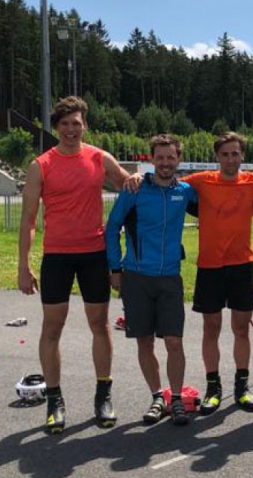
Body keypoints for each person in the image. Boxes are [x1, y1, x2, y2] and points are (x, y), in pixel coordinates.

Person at [17, 96, 136, 434]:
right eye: (65, 124)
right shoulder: (41, 165)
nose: (71, 130)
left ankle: (103, 396)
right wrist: (23, 266)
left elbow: (128, 187)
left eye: (77, 124)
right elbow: (28, 219)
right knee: (52, 328)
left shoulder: (99, 158)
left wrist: (139, 179)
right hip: (57, 257)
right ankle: (54, 401)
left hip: (94, 254)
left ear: (85, 126)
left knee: (99, 324)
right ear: (57, 127)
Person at [106, 134, 196, 426]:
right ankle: (157, 397)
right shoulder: (134, 189)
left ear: (179, 159)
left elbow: (220, 189)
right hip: (136, 277)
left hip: (169, 277)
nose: (166, 163)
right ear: (152, 159)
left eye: (171, 157)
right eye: (160, 157)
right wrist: (115, 268)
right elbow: (112, 228)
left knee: (174, 342)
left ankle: (177, 399)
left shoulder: (185, 191)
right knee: (144, 341)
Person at [182, 132, 253, 414]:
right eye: (225, 154)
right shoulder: (201, 180)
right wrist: (137, 177)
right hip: (210, 266)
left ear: (242, 156)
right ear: (217, 156)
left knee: (241, 328)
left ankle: (242, 387)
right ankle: (213, 388)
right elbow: (167, 182)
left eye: (235, 153)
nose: (230, 159)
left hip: (241, 264)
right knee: (211, 328)